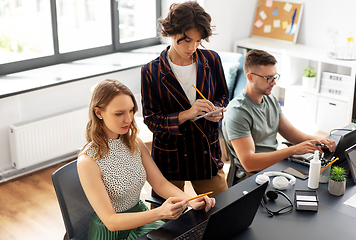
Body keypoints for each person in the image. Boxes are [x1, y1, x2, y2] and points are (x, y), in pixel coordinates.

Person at [77, 79, 215, 240]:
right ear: (98, 113)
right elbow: (111, 221)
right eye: (119, 113)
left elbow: (160, 183)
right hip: (112, 234)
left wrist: (190, 200)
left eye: (131, 111)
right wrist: (159, 213)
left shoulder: (134, 142)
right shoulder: (88, 161)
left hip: (140, 220)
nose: (128, 119)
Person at [141, 1, 229, 198]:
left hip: (205, 153)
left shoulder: (212, 60)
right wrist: (186, 114)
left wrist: (216, 110)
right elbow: (151, 120)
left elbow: (223, 95)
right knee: (167, 223)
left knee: (222, 211)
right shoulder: (151, 72)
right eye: (187, 40)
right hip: (170, 157)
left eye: (198, 41)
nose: (192, 47)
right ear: (172, 32)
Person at [222, 49, 337, 179]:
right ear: (250, 77)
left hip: (274, 167)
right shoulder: (238, 112)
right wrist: (293, 150)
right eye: (268, 78)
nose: (274, 82)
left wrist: (317, 141)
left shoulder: (269, 99)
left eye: (275, 77)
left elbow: (292, 134)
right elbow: (249, 163)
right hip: (252, 176)